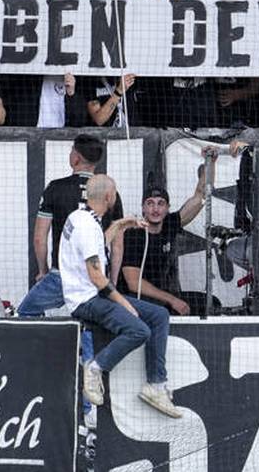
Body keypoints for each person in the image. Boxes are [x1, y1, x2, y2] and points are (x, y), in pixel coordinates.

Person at [62, 174, 183, 418]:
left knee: (158, 314)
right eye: (115, 192)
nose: (115, 196)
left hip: (94, 293)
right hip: (86, 300)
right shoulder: (86, 227)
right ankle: (95, 369)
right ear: (109, 196)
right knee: (139, 330)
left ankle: (156, 386)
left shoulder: (81, 217)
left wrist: (121, 224)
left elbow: (98, 244)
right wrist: (123, 302)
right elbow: (96, 276)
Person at [18, 135, 124, 323]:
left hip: (64, 275)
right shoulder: (110, 193)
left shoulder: (55, 188)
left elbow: (39, 238)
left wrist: (43, 271)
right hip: (96, 277)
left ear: (75, 158)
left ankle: (48, 352)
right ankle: (89, 351)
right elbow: (117, 246)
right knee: (91, 322)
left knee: (26, 312)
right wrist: (112, 282)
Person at [120, 165, 215, 315]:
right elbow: (133, 283)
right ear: (143, 208)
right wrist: (172, 299)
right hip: (136, 299)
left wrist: (210, 162)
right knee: (168, 308)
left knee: (209, 302)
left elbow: (200, 196)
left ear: (167, 208)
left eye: (160, 203)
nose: (155, 209)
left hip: (162, 296)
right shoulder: (134, 235)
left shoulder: (169, 225)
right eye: (150, 203)